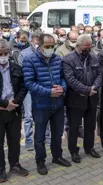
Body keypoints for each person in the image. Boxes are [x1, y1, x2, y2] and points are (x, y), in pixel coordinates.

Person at [22, 34, 71, 175]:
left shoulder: (57, 59)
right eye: (47, 46)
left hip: (58, 104)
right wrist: (48, 92)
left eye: (52, 46)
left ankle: (57, 156)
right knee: (40, 137)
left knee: (57, 134)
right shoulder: (29, 60)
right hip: (41, 105)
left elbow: (63, 77)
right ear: (40, 45)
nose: (50, 49)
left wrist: (63, 88)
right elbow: (29, 83)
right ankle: (40, 161)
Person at [62, 34, 102, 163]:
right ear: (77, 46)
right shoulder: (68, 60)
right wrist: (86, 90)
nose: (88, 50)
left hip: (92, 98)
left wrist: (94, 88)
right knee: (74, 127)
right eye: (85, 48)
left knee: (90, 126)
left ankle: (89, 148)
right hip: (76, 99)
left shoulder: (94, 57)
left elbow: (99, 74)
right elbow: (71, 80)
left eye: (90, 48)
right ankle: (74, 151)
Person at [0, 39, 29, 183]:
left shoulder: (16, 67)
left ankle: (15, 165)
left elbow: (23, 88)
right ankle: (0, 171)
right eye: (1, 53)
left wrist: (15, 102)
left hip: (14, 110)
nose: (3, 56)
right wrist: (5, 103)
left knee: (14, 140)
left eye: (6, 53)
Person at [17, 31, 45, 151]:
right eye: (37, 41)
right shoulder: (24, 54)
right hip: (29, 89)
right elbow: (22, 72)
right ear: (32, 40)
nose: (38, 43)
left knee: (44, 115)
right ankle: (29, 140)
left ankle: (46, 138)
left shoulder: (45, 52)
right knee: (28, 116)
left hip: (42, 88)